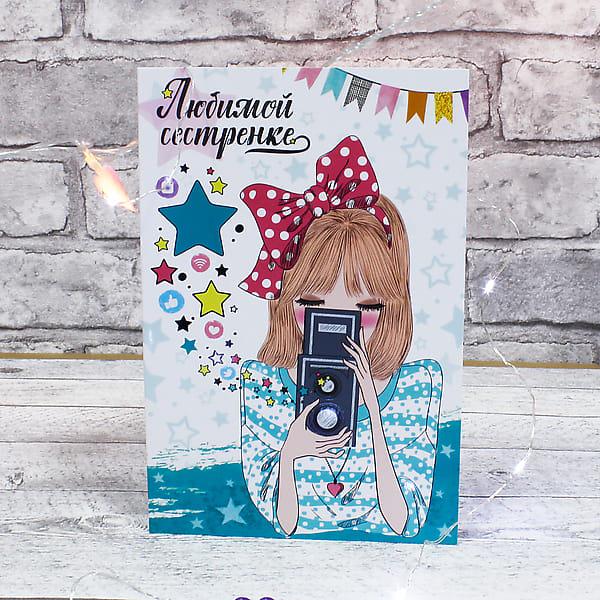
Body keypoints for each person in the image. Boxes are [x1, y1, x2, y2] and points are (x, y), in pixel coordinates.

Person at [238, 136, 442, 538]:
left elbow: (405, 523)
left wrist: (371, 406)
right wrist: (290, 452)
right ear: (285, 300)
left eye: (366, 306)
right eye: (312, 303)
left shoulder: (418, 385)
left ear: (390, 306)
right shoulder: (262, 386)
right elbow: (283, 526)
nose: (336, 320)